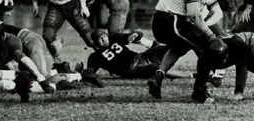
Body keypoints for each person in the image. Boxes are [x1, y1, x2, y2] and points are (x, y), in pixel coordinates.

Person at [147, 0, 219, 99]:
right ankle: (200, 90)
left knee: (179, 47)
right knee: (206, 47)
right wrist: (210, 35)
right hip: (171, 21)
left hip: (159, 20)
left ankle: (157, 77)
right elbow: (194, 14)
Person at [81, 29, 221, 87]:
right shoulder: (95, 57)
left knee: (173, 47)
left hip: (141, 56)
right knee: (158, 69)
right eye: (100, 39)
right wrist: (88, 74)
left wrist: (134, 35)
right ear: (95, 42)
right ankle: (197, 75)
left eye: (105, 36)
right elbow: (90, 72)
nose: (104, 39)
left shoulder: (115, 39)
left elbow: (135, 35)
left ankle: (206, 57)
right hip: (131, 69)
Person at [0, 0, 55, 97]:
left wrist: (42, 81)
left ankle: (24, 79)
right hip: (1, 41)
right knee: (6, 68)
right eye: (6, 11)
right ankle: (15, 80)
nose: (10, 14)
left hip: (7, 42)